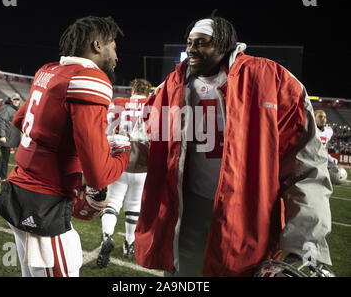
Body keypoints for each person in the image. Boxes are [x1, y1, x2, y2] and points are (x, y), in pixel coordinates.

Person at [133, 15, 334, 276]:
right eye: (190, 42)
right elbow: (149, 148)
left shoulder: (273, 80)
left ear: (225, 44)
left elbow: (306, 169)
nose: (192, 49)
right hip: (185, 221)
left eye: (201, 42)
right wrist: (101, 161)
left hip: (247, 225)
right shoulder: (170, 87)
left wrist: (305, 244)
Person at [0, 16, 130, 277]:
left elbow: (21, 120)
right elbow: (99, 175)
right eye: (114, 46)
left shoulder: (50, 71)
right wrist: (122, 155)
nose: (116, 55)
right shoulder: (90, 78)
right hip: (45, 206)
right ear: (98, 44)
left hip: (19, 191)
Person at [96, 78, 152, 268]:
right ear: (147, 91)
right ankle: (129, 244)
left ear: (132, 89)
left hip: (121, 160)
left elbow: (105, 133)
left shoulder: (119, 103)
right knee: (134, 205)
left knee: (112, 202)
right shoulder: (154, 105)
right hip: (143, 166)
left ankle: (107, 236)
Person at [0, 95, 21, 184]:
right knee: (5, 159)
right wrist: (2, 135)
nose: (16, 101)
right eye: (14, 99)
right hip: (6, 138)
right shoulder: (6, 108)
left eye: (17, 100)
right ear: (11, 100)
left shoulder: (15, 109)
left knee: (2, 158)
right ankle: (3, 179)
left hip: (10, 138)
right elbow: (1, 122)